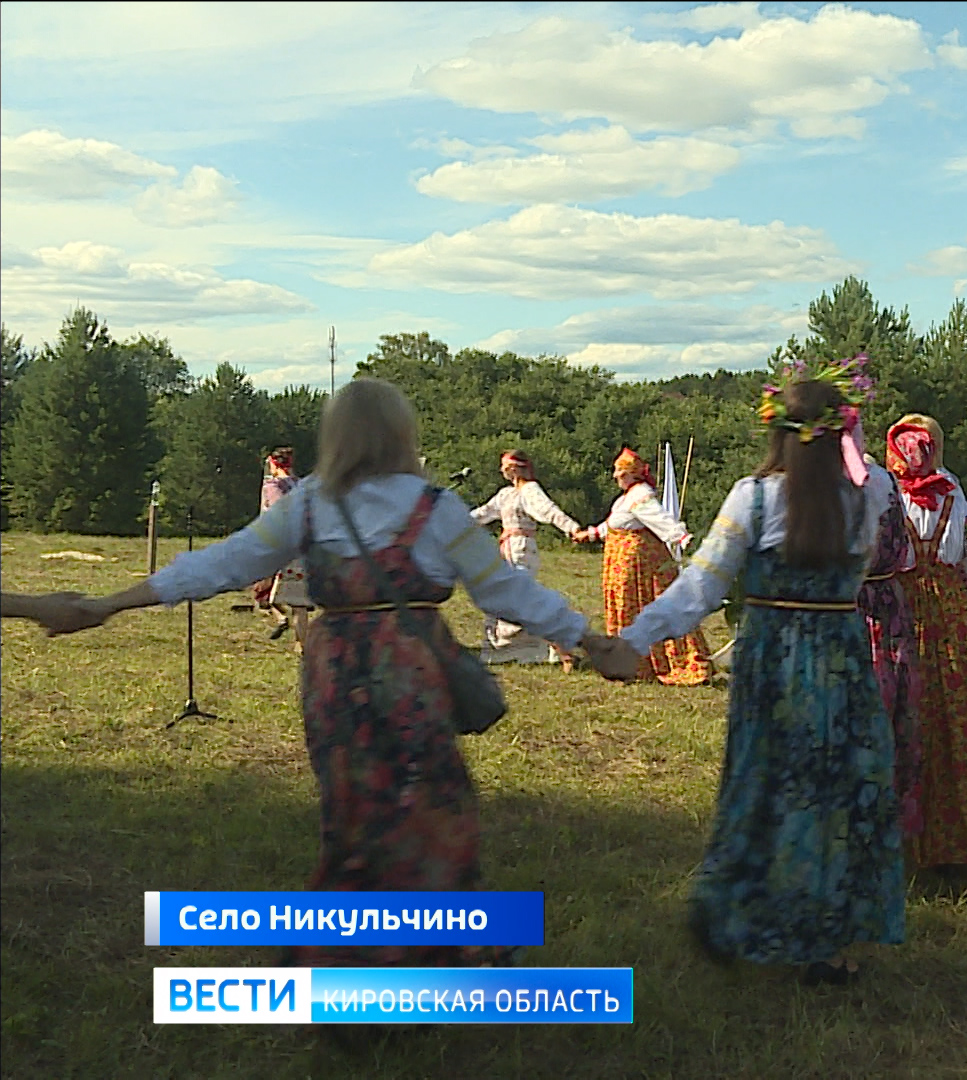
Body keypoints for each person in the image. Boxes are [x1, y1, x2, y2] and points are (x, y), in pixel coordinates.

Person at [42, 378, 611, 966]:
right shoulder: (434, 509)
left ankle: (351, 967)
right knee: (431, 803)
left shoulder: (309, 502)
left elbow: (224, 563)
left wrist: (111, 602)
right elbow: (504, 589)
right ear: (401, 434)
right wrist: (589, 639)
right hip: (410, 678)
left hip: (334, 678)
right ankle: (429, 958)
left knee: (354, 811)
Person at [586, 357, 904, 985]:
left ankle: (740, 913)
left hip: (775, 668)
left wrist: (633, 640)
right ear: (840, 433)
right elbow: (871, 480)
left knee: (764, 791)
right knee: (839, 795)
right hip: (841, 665)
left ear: (777, 433)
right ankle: (830, 943)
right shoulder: (870, 495)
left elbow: (700, 586)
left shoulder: (752, 498)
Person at [885, 413, 967, 871]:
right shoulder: (953, 497)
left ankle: (905, 838)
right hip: (952, 609)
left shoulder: (883, 497)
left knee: (906, 710)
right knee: (961, 707)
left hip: (898, 604)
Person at [575, 447, 710, 686]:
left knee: (636, 607)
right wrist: (591, 534)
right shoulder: (625, 498)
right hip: (621, 562)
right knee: (625, 607)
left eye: (620, 472)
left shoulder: (640, 495)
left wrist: (681, 537)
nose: (615, 476)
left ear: (633, 474)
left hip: (639, 565)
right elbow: (615, 525)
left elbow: (658, 518)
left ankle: (658, 663)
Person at [857, 459, 925, 844]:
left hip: (851, 608)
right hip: (890, 606)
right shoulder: (888, 483)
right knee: (897, 712)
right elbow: (909, 558)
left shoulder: (832, 482)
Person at [471, 450, 584, 667]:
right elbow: (483, 513)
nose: (501, 470)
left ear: (514, 468)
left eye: (504, 466)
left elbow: (550, 511)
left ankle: (563, 647)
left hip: (522, 549)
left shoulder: (530, 491)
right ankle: (540, 648)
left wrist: (572, 528)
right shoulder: (506, 494)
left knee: (518, 603)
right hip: (507, 549)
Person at [250, 447, 311, 651]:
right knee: (298, 601)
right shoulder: (301, 484)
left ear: (273, 464)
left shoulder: (273, 485)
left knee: (263, 591)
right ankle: (301, 643)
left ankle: (286, 624)